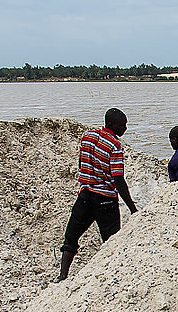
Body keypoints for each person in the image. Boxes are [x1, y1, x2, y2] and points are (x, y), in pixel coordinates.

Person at [57, 108, 137, 281]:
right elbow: (118, 179)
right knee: (112, 242)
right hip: (105, 200)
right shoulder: (115, 146)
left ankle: (62, 276)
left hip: (85, 195)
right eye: (122, 125)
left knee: (71, 237)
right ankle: (114, 276)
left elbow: (81, 162)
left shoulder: (88, 136)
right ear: (111, 124)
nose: (125, 129)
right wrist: (132, 207)